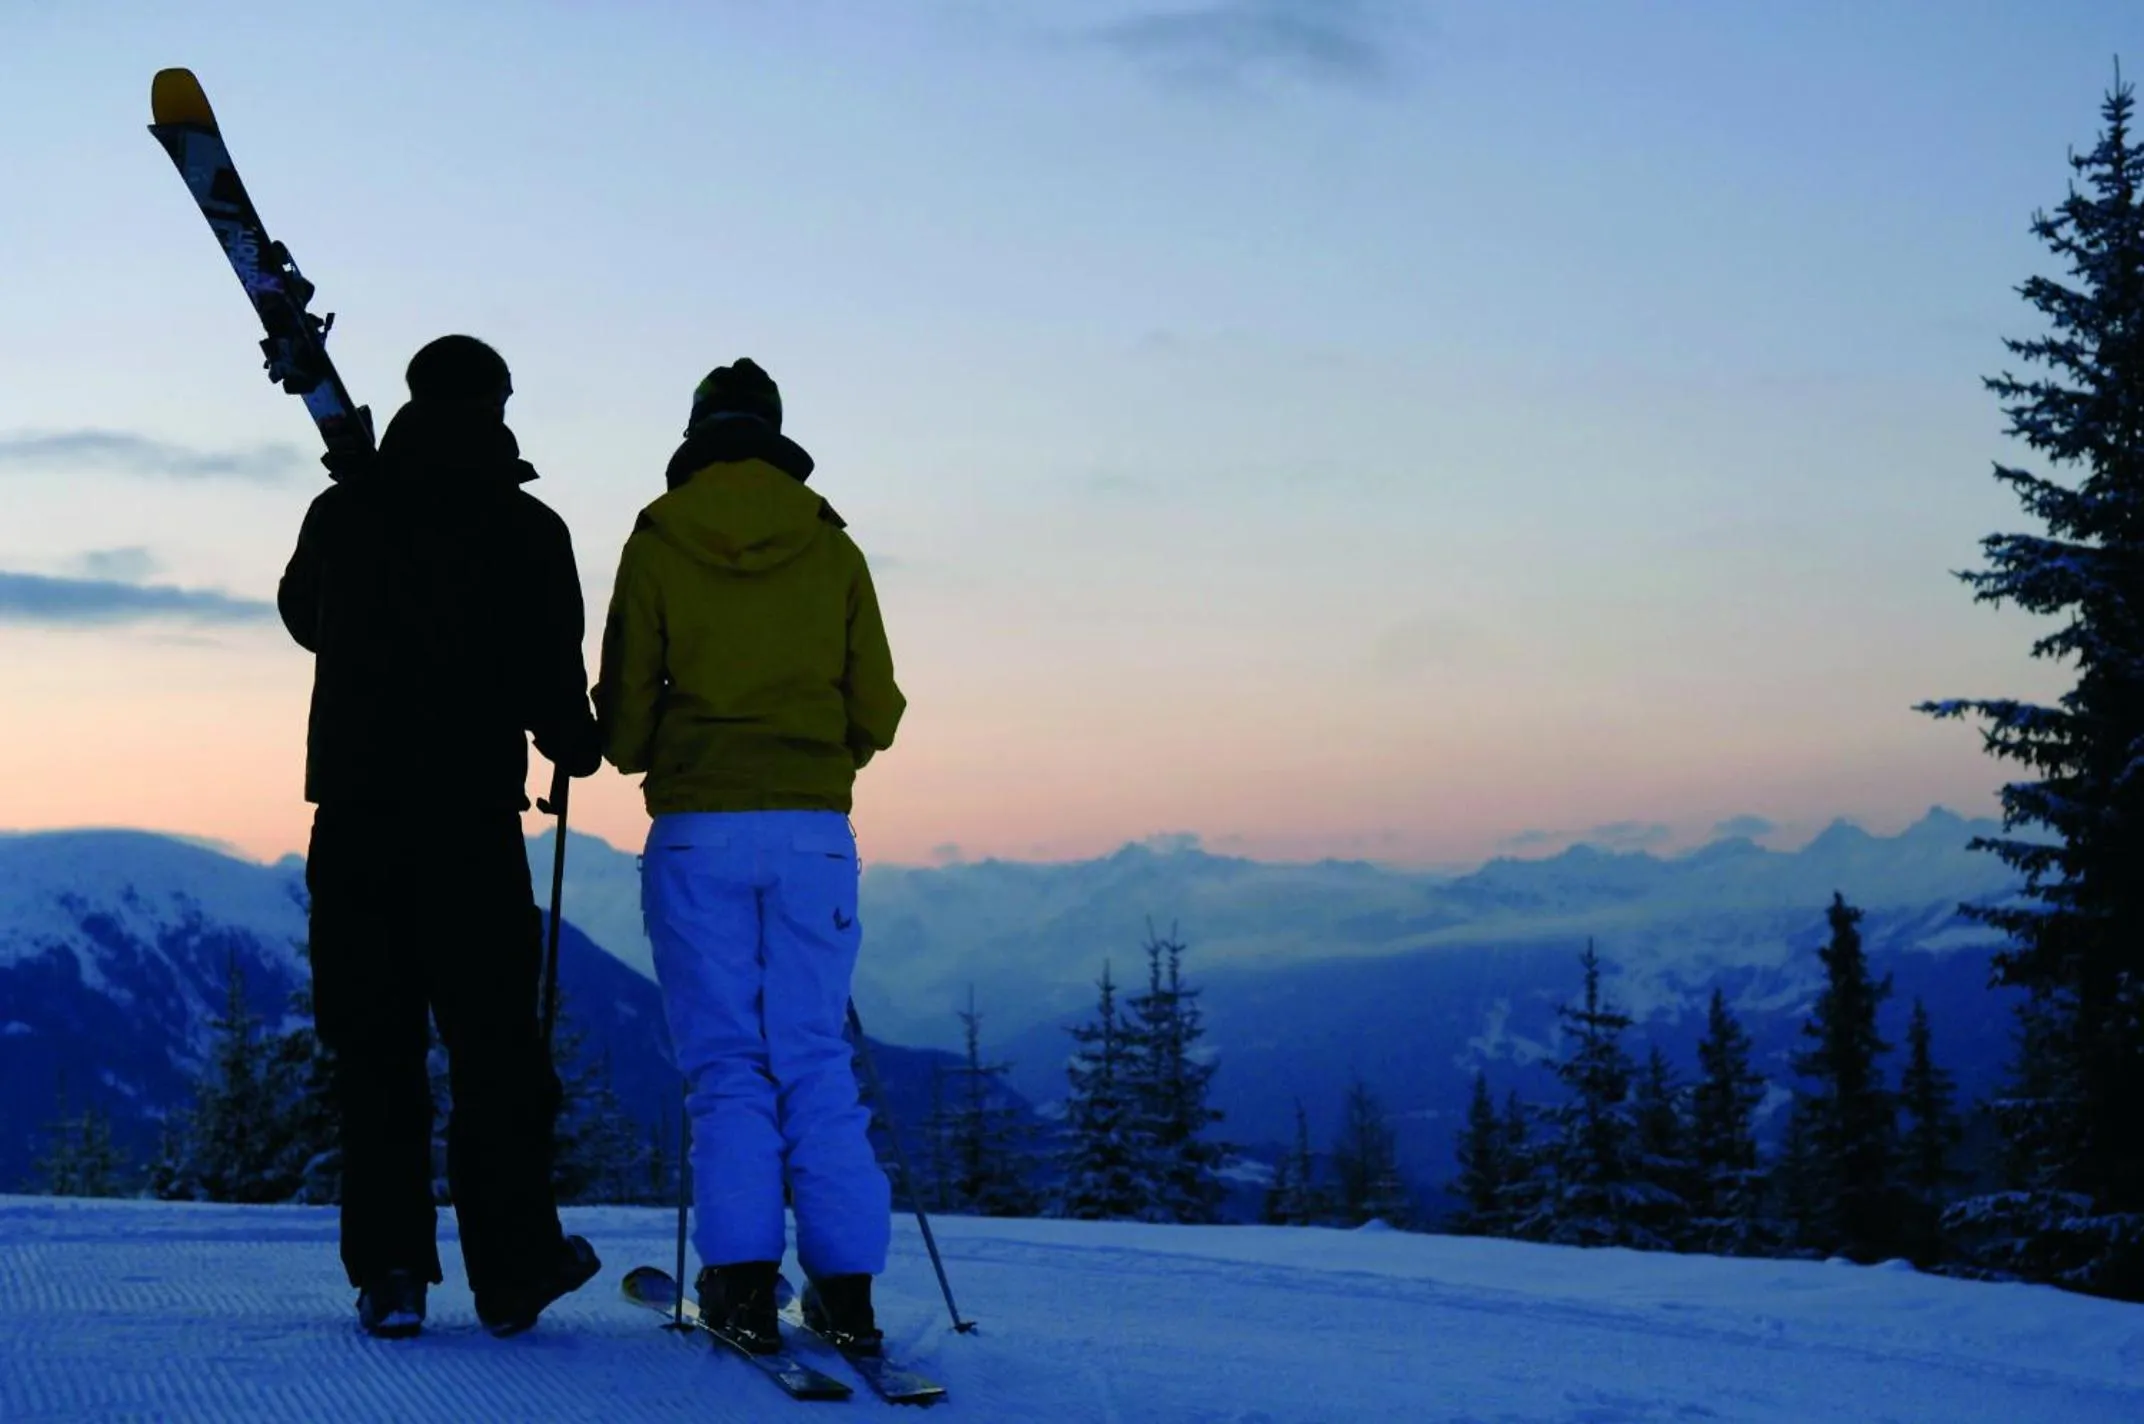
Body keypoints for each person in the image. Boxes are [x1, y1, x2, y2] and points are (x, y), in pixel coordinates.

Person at [278, 334, 605, 1339]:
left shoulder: (345, 509)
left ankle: (390, 1274)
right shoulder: (528, 527)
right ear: (499, 405)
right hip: (471, 826)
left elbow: (303, 616)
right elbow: (552, 676)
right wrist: (575, 741)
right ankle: (512, 1269)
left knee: (374, 1051)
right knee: (496, 1052)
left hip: (357, 817)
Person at [595, 357, 905, 1355]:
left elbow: (625, 717)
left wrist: (657, 747)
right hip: (812, 828)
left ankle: (738, 1283)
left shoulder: (657, 539)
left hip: (698, 825)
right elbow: (879, 707)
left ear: (698, 434)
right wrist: (818, 754)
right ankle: (846, 1292)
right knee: (814, 1055)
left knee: (726, 1061)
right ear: (775, 434)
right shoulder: (830, 544)